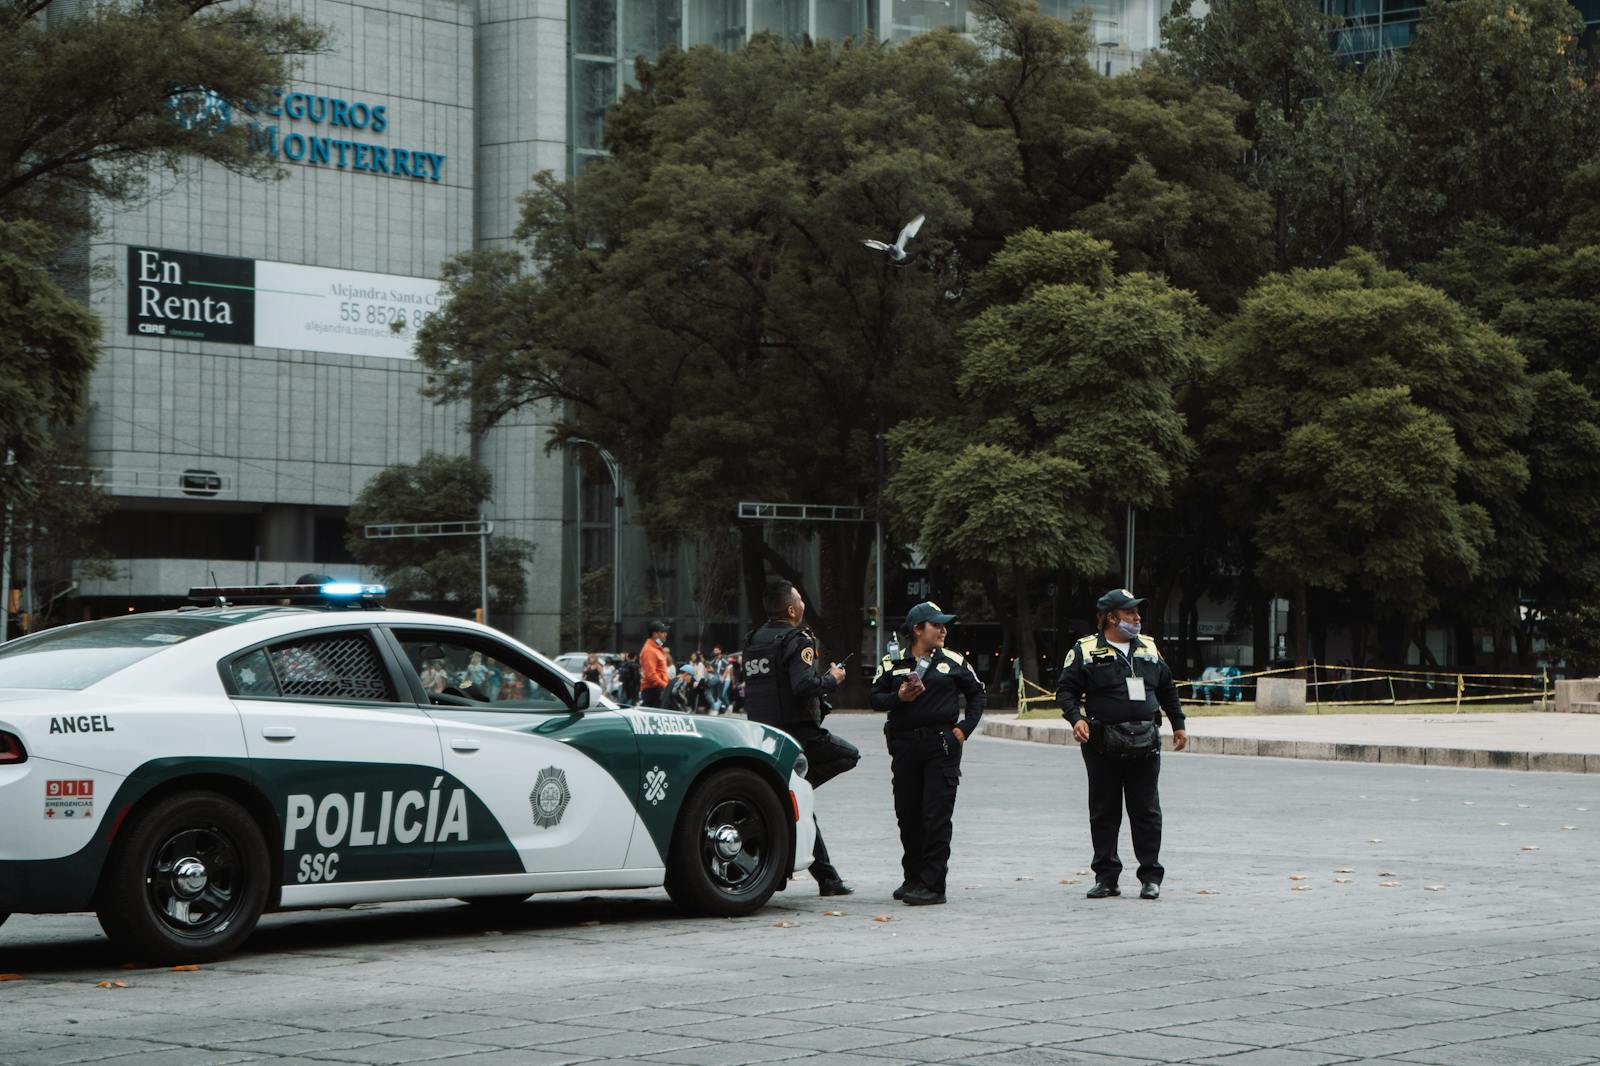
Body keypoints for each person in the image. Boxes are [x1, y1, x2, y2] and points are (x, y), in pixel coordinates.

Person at [1054, 588, 1188, 901]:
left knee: (1147, 810)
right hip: (1103, 744)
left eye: (1138, 612)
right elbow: (1066, 691)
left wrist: (1178, 723)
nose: (1137, 617)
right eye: (1130, 613)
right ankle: (1106, 877)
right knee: (1104, 811)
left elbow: (1167, 687)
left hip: (1145, 742)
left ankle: (1150, 876)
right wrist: (1076, 719)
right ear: (1112, 617)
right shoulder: (1085, 650)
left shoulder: (1149, 648)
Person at [742, 579, 859, 897]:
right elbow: (803, 686)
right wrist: (832, 679)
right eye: (801, 600)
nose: (805, 604)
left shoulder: (754, 640)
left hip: (764, 735)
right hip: (799, 735)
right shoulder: (797, 640)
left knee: (798, 802)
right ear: (792, 609)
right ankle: (792, 793)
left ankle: (828, 880)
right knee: (848, 755)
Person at [869, 601, 985, 906]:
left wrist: (964, 729)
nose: (944, 630)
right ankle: (914, 877)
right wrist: (899, 696)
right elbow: (875, 698)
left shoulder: (952, 660)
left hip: (941, 746)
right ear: (918, 630)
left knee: (936, 815)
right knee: (908, 814)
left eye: (945, 625)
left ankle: (933, 885)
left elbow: (977, 695)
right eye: (937, 625)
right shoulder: (892, 662)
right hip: (905, 747)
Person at [639, 621, 671, 707]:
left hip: (658, 691)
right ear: (655, 634)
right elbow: (651, 675)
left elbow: (660, 671)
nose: (665, 634)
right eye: (662, 632)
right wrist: (666, 686)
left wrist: (669, 682)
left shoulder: (656, 648)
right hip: (653, 692)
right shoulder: (649, 650)